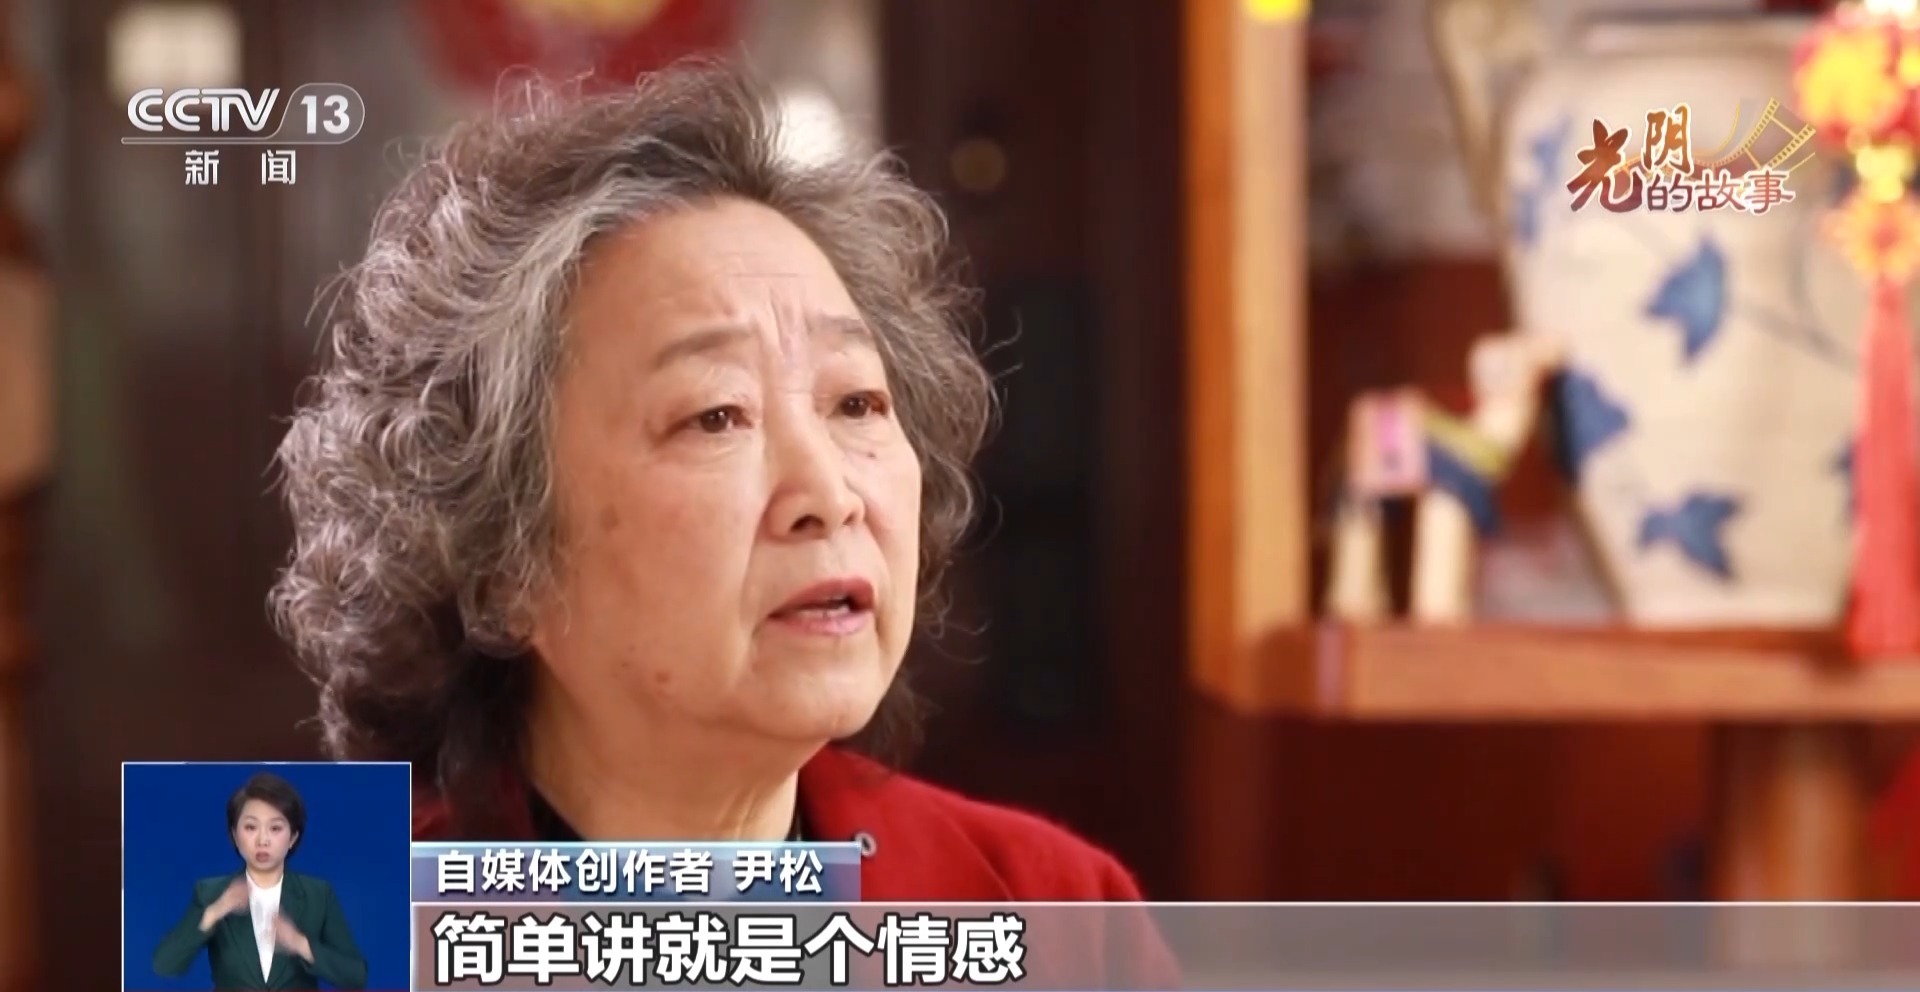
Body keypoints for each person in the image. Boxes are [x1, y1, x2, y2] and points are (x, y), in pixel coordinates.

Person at [269, 56, 1161, 911]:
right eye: (716, 415)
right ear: (500, 558)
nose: (830, 495)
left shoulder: (1053, 908)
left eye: (856, 402)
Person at [151, 772, 368, 990]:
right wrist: (214, 912)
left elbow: (356, 976)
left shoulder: (318, 894)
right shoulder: (210, 892)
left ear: (293, 837)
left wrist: (300, 944)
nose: (263, 840)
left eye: (275, 828)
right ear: (235, 835)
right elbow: (165, 966)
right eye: (251, 827)